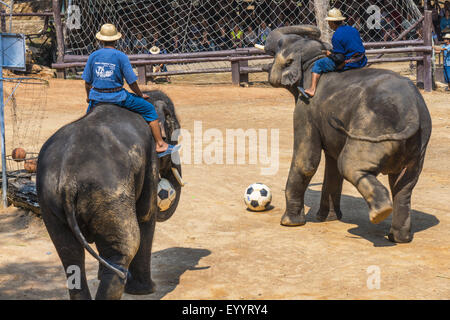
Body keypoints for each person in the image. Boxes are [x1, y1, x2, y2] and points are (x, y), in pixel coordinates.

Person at [82, 24, 179, 157]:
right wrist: (140, 94)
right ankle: (160, 144)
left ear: (101, 40)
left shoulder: (93, 56)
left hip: (96, 97)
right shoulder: (121, 56)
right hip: (117, 96)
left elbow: (87, 82)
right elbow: (132, 82)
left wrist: (89, 97)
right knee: (149, 109)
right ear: (116, 40)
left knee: (85, 121)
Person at [301, 9, 367, 98]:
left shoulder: (336, 36)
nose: (328, 24)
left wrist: (329, 54)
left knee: (318, 64)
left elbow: (340, 59)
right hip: (362, 60)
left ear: (332, 22)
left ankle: (312, 89)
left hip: (350, 63)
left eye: (329, 22)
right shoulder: (353, 29)